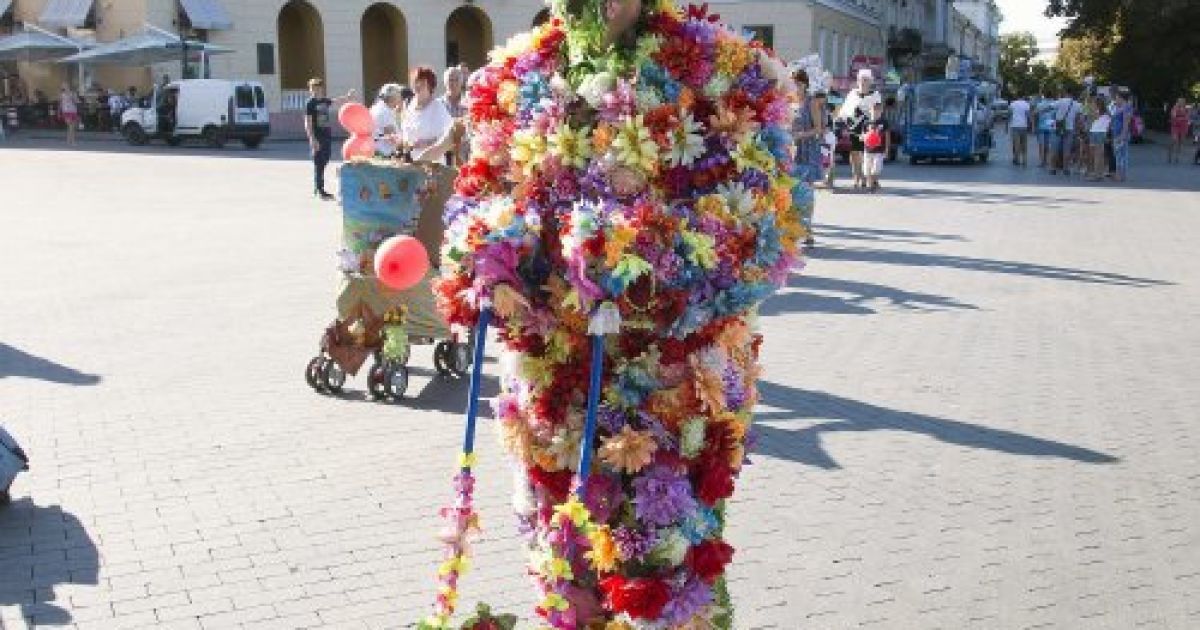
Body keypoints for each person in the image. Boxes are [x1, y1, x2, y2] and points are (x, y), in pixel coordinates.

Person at [432, 0, 804, 625]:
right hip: (554, 384)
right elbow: (480, 195)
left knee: (661, 576)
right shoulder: (514, 76)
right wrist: (490, 246)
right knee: (565, 571)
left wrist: (633, 249)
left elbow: (760, 225)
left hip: (670, 389)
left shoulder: (727, 69)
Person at [304, 77, 356, 200]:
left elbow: (335, 101)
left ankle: (319, 188)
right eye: (312, 88)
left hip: (326, 134)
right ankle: (319, 189)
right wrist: (312, 139)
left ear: (321, 89)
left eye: (317, 88)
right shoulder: (310, 103)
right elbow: (308, 122)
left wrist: (347, 97)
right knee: (319, 162)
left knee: (326, 158)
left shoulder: (324, 100)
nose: (315, 91)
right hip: (317, 136)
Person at [791, 68, 824, 245]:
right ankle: (794, 229)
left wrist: (801, 135)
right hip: (790, 151)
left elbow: (819, 129)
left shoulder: (811, 102)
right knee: (791, 191)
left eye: (798, 83)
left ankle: (808, 229)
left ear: (805, 84)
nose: (795, 86)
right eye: (793, 83)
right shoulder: (788, 100)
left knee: (807, 192)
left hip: (808, 151)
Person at [838, 69, 880, 189]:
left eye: (866, 80)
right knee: (854, 153)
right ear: (857, 81)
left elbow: (877, 110)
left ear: (870, 81)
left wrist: (873, 125)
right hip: (853, 127)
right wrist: (842, 122)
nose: (863, 82)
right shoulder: (852, 93)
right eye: (861, 80)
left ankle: (869, 178)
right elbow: (845, 110)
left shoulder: (875, 94)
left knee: (868, 154)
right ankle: (857, 177)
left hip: (868, 128)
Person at [401, 66, 454, 160]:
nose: (418, 85)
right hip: (411, 160)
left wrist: (427, 143)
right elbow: (406, 134)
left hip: (432, 162)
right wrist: (401, 141)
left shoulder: (438, 107)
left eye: (423, 82)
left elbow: (450, 139)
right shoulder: (410, 106)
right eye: (415, 81)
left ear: (430, 85)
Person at [370, 83, 405, 157]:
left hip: (376, 149)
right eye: (399, 95)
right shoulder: (385, 112)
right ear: (393, 97)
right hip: (384, 153)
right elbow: (393, 137)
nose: (401, 98)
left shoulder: (377, 107)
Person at [862, 100, 889, 192]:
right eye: (874, 109)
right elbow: (863, 135)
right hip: (868, 150)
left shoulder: (884, 122)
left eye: (878, 109)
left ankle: (873, 182)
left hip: (879, 150)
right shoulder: (866, 122)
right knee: (867, 169)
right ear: (870, 110)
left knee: (875, 169)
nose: (876, 111)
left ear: (881, 111)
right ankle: (871, 186)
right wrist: (864, 137)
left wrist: (887, 149)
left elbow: (887, 136)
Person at [1110, 88, 1133, 181]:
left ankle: (1120, 175)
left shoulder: (1126, 107)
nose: (1116, 99)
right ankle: (1121, 175)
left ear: (1121, 98)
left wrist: (1122, 136)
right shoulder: (1121, 107)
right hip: (1118, 133)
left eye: (1117, 97)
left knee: (1121, 155)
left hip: (1121, 134)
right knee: (1119, 154)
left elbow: (1126, 122)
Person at [1086, 97, 1111, 181]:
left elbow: (1091, 119)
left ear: (1098, 104)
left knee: (1097, 155)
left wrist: (1091, 111)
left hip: (1097, 133)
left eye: (1094, 103)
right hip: (1100, 133)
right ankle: (1100, 174)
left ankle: (1096, 175)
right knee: (1100, 154)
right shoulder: (1107, 112)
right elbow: (1109, 122)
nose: (1092, 104)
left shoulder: (1097, 112)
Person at [1009, 94, 1031, 166]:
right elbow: (1028, 115)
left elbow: (1009, 115)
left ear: (1016, 96)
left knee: (1016, 144)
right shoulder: (1026, 104)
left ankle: (1017, 159)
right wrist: (1031, 125)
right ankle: (1024, 160)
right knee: (1024, 144)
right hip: (1023, 126)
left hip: (1015, 126)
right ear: (1023, 96)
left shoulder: (1012, 104)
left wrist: (1006, 125)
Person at [1168, 97, 1189, 164]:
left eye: (1183, 102)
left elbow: (1187, 117)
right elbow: (1173, 116)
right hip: (1175, 126)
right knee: (1174, 140)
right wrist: (1182, 118)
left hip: (1183, 126)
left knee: (1180, 142)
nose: (1182, 103)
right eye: (1180, 101)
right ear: (1178, 102)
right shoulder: (1175, 108)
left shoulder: (1186, 109)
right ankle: (1170, 153)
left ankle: (1177, 157)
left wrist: (1182, 118)